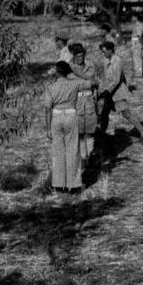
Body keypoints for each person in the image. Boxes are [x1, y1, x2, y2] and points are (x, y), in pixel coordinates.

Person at [44, 61, 93, 193]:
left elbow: (47, 109)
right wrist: (77, 73)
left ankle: (59, 185)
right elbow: (93, 82)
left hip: (57, 116)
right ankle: (74, 184)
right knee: (73, 150)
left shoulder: (50, 87)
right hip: (71, 115)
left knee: (58, 152)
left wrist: (48, 128)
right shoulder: (75, 84)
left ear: (57, 72)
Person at [98, 41, 143, 143]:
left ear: (110, 50)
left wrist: (107, 91)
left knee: (126, 113)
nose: (103, 54)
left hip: (118, 92)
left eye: (104, 51)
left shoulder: (117, 61)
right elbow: (107, 78)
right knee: (104, 113)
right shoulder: (106, 60)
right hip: (109, 92)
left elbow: (117, 80)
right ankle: (102, 135)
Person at [67, 43, 99, 168]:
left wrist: (97, 105)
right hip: (77, 106)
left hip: (90, 103)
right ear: (74, 56)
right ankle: (83, 158)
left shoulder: (90, 67)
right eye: (78, 56)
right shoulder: (70, 71)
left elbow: (96, 85)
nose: (80, 58)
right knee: (79, 134)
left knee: (90, 132)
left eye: (82, 55)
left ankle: (89, 156)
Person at [130, 15, 143, 80]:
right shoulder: (135, 25)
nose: (131, 19)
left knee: (138, 59)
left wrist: (142, 44)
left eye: (133, 17)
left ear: (136, 17)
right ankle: (137, 73)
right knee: (135, 59)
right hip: (135, 44)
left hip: (137, 44)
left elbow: (139, 36)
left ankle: (139, 74)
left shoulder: (138, 25)